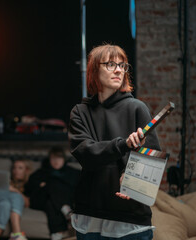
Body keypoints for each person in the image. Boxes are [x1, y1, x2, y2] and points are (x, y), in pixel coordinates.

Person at [68, 44, 161, 240]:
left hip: (131, 218)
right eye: (110, 64)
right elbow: (86, 153)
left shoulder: (137, 108)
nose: (118, 70)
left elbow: (151, 157)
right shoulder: (80, 112)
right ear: (94, 70)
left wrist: (133, 182)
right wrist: (123, 144)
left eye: (122, 65)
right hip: (90, 215)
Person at [24, 147, 80, 240]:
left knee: (50, 203)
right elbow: (30, 188)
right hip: (39, 200)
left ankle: (56, 233)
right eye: (53, 158)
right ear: (49, 159)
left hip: (58, 201)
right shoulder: (41, 172)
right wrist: (43, 185)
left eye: (59, 158)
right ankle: (67, 211)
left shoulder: (73, 173)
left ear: (63, 159)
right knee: (52, 183)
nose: (56, 161)